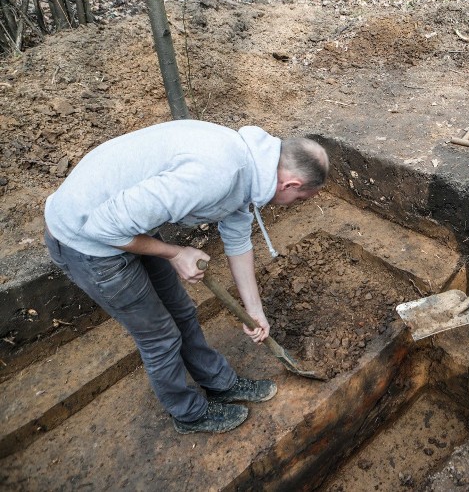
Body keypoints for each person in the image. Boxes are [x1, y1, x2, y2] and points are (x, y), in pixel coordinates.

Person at [43, 120, 329, 433]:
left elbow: (236, 238)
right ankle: (189, 414)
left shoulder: (253, 169)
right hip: (85, 239)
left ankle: (220, 383)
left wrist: (254, 310)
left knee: (182, 312)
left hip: (125, 221)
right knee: (160, 337)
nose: (293, 205)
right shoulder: (216, 174)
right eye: (300, 200)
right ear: (289, 185)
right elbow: (102, 228)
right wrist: (175, 253)